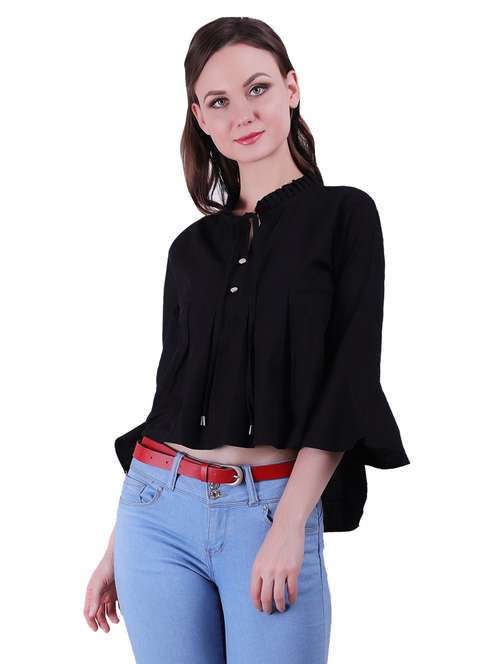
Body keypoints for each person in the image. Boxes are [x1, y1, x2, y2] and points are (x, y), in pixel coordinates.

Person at [83, 16, 410, 664]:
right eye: (219, 101)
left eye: (257, 88)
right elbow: (172, 398)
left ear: (292, 87)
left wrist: (290, 524)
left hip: (270, 509)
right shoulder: (190, 249)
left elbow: (349, 382)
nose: (243, 114)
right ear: (200, 118)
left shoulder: (346, 217)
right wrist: (117, 543)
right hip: (154, 513)